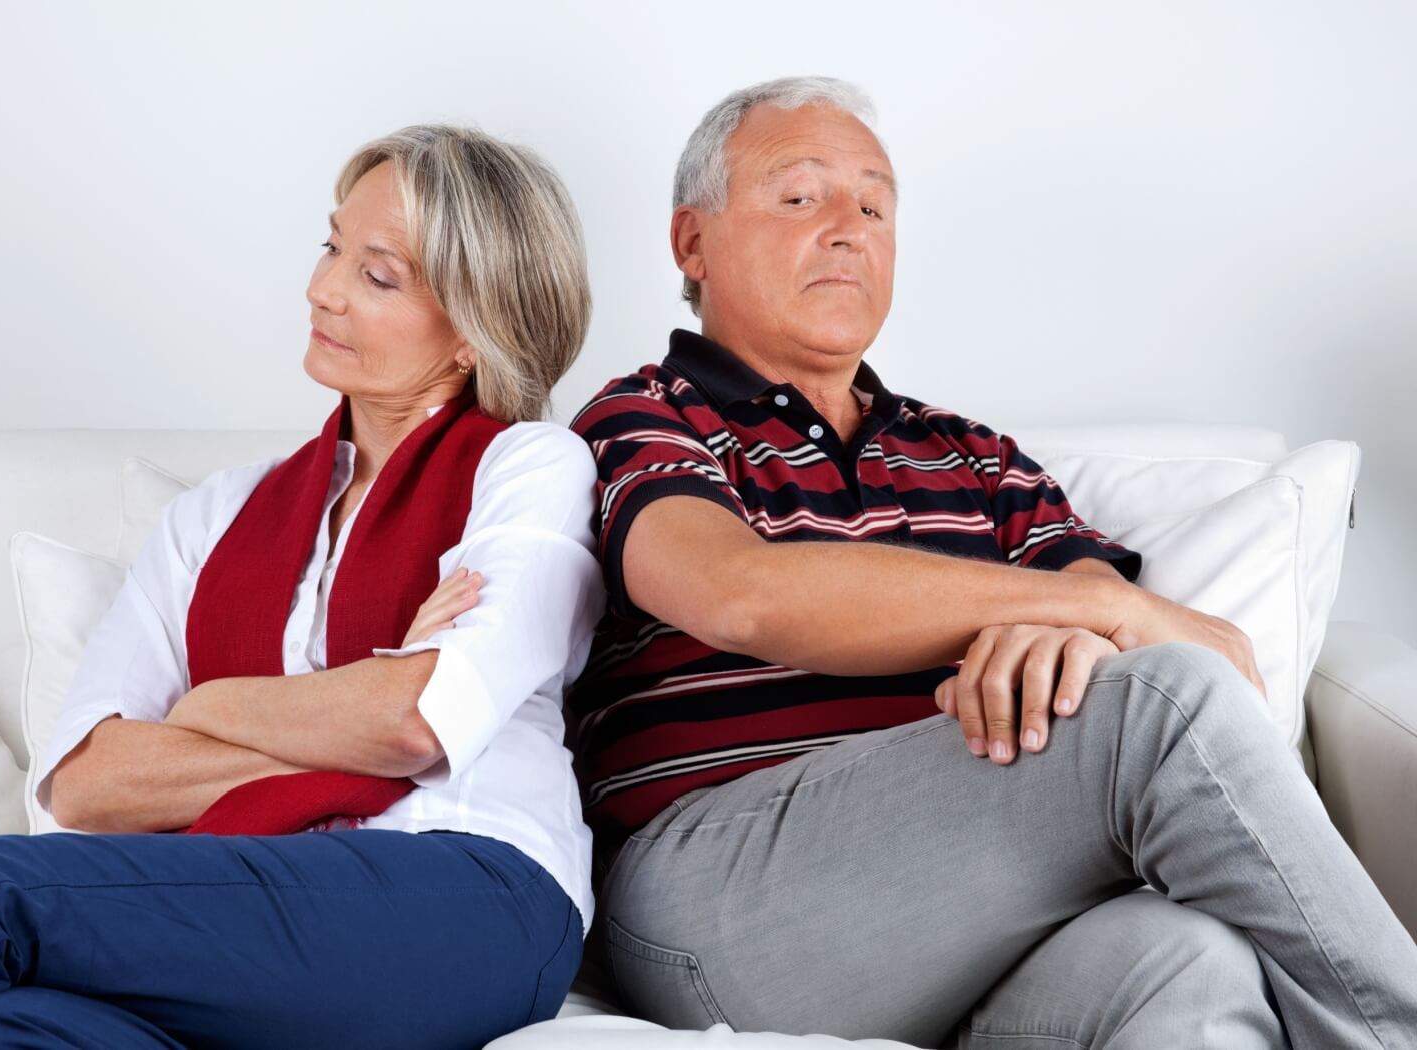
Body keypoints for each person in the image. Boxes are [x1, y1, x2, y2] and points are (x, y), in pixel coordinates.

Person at [566, 77, 1417, 1049]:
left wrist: (1077, 616)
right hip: (716, 899)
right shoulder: (645, 415)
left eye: (875, 205)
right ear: (692, 242)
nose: (849, 227)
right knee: (1162, 699)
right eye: (801, 196)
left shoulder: (973, 457)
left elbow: (1093, 608)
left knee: (1187, 961)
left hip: (959, 910)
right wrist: (1074, 614)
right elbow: (738, 592)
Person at [0, 124, 604, 1049]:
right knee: (11, 1028)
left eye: (378, 275)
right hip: (235, 900)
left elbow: (415, 720)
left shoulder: (528, 470)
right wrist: (353, 704)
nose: (322, 290)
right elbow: (86, 784)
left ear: (474, 331)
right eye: (331, 248)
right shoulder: (216, 515)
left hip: (463, 894)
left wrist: (205, 706)